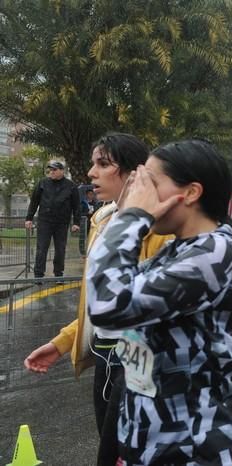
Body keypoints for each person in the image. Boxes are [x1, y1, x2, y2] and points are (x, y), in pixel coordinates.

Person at [86, 139, 232, 465]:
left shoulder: (214, 255)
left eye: (151, 181)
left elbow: (108, 305)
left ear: (191, 193)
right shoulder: (179, 251)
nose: (140, 189)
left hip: (199, 450)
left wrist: (133, 215)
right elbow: (113, 292)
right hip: (153, 444)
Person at [23, 134, 173, 465]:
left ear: (135, 174)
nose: (91, 173)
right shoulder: (102, 221)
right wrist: (63, 342)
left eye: (103, 164)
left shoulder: (163, 231)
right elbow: (101, 303)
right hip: (104, 363)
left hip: (141, 367)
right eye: (93, 163)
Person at [25, 161, 80, 278]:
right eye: (50, 170)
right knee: (41, 249)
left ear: (62, 171)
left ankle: (58, 273)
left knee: (60, 249)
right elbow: (34, 201)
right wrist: (29, 218)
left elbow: (76, 206)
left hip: (62, 223)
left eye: (54, 170)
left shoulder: (71, 186)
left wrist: (76, 223)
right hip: (45, 221)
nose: (51, 172)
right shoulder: (42, 183)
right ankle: (38, 275)